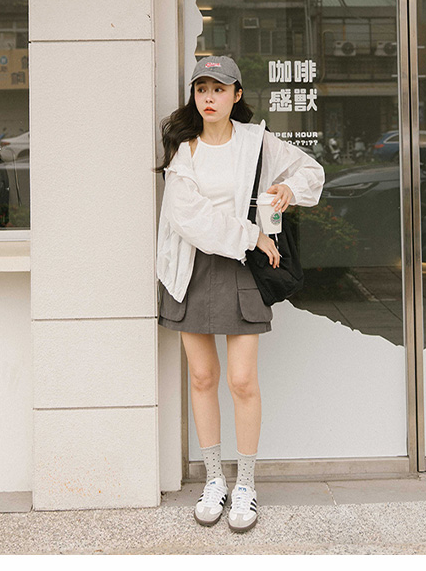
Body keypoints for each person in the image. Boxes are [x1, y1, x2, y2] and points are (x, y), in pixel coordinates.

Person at [155, 56, 324, 532]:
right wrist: (251, 234)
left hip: (243, 269)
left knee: (243, 380)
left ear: (236, 95)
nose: (209, 98)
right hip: (192, 267)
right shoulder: (183, 150)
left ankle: (245, 483)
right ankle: (215, 479)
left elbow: (311, 171)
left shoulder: (256, 141)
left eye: (219, 89)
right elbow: (187, 216)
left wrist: (288, 187)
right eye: (201, 89)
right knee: (202, 377)